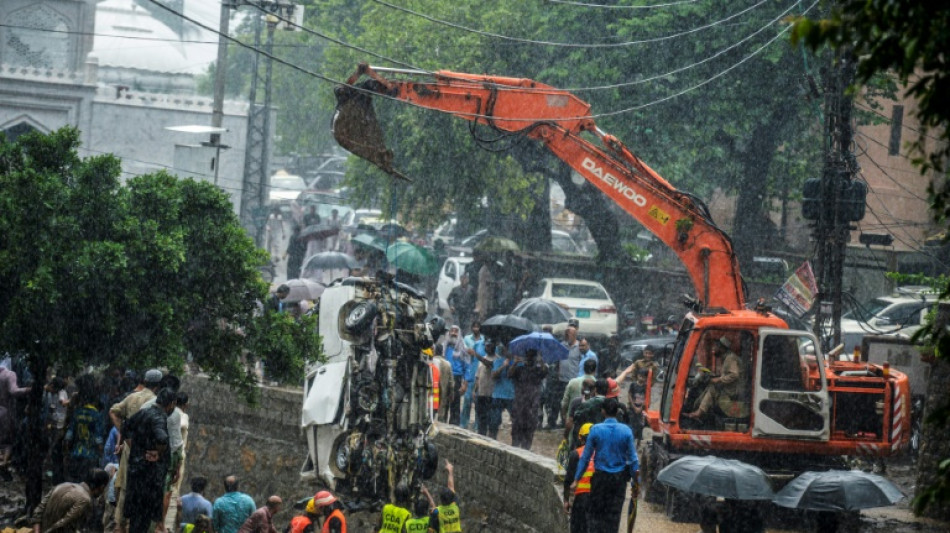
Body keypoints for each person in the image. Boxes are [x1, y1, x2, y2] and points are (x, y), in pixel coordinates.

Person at [571, 399, 639, 533]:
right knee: (614, 517)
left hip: (600, 480)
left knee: (596, 515)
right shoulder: (626, 431)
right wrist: (636, 483)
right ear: (617, 411)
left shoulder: (596, 430)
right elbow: (633, 460)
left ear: (602, 411)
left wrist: (576, 479)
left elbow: (585, 458)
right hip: (618, 481)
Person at [111, 368, 164, 533]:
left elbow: (113, 411)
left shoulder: (132, 397)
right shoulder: (156, 403)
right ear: (159, 385)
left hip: (129, 449)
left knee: (125, 486)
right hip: (145, 453)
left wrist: (126, 437)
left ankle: (119, 525)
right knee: (139, 489)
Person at [123, 387, 176, 533]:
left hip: (136, 472)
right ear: (171, 404)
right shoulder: (159, 417)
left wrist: (134, 447)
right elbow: (162, 438)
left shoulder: (143, 413)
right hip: (149, 477)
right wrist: (158, 453)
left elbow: (126, 426)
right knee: (144, 520)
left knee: (135, 519)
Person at [685, 336, 748, 421]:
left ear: (722, 348)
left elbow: (734, 375)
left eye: (716, 347)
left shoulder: (730, 358)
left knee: (713, 388)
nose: (714, 349)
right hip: (733, 387)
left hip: (735, 389)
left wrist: (719, 379)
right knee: (710, 386)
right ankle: (696, 410)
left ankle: (698, 413)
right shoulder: (727, 357)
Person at [31, 468, 110, 533]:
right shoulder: (85, 500)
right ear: (102, 487)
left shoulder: (63, 485)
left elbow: (38, 511)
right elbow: (64, 524)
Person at [507, 348, 548, 449]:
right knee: (516, 433)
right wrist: (515, 363)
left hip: (531, 405)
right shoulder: (519, 369)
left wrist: (542, 362)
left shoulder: (538, 370)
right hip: (520, 404)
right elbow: (509, 374)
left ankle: (525, 450)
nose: (529, 359)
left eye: (531, 357)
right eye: (528, 357)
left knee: (528, 434)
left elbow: (545, 372)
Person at [63, 383, 104, 482]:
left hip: (76, 453)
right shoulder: (96, 415)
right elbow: (98, 437)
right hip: (90, 455)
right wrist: (101, 451)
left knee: (74, 480)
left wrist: (67, 449)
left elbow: (69, 434)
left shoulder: (77, 412)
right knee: (86, 481)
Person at [563, 423, 595, 533]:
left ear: (581, 438)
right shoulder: (602, 454)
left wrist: (566, 501)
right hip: (598, 498)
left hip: (581, 499)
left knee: (578, 528)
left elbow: (568, 480)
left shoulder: (576, 454)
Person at [0, 362, 30, 478]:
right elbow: (14, 391)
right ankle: (4, 462)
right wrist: (29, 389)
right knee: (7, 442)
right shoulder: (9, 374)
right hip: (5, 413)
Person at [548, 325, 580, 429]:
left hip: (573, 381)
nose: (566, 335)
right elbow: (557, 360)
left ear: (575, 335)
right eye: (565, 333)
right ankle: (552, 422)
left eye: (569, 334)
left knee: (572, 402)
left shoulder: (579, 347)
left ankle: (566, 421)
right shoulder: (562, 345)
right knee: (557, 401)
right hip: (561, 380)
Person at [459, 322, 484, 430]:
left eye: (477, 326)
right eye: (474, 326)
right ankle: (463, 423)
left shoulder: (484, 341)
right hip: (469, 369)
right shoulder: (467, 338)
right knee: (467, 399)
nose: (475, 328)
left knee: (478, 401)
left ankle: (477, 425)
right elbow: (462, 351)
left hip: (480, 371)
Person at [488, 346, 515, 440]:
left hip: (511, 395)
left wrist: (514, 364)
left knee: (516, 421)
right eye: (507, 349)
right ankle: (492, 440)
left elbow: (514, 376)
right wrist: (503, 366)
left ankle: (515, 444)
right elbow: (493, 375)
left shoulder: (517, 363)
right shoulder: (498, 361)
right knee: (494, 422)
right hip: (498, 395)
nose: (509, 351)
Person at [561, 358, 597, 428]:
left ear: (583, 369)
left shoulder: (573, 382)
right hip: (591, 425)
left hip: (573, 422)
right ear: (595, 370)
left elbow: (564, 402)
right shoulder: (597, 384)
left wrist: (564, 415)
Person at [443, 326, 468, 425]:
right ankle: (441, 423)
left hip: (456, 378)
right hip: (444, 377)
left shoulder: (463, 349)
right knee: (443, 402)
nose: (453, 333)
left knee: (455, 403)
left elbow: (467, 367)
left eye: (456, 331)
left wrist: (465, 384)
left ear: (459, 334)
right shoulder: (443, 347)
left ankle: (454, 426)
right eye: (451, 331)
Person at [472, 340, 497, 437]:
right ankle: (481, 436)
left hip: (491, 394)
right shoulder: (482, 360)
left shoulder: (497, 359)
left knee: (491, 420)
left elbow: (489, 364)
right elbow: (478, 377)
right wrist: (474, 390)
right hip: (481, 393)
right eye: (486, 346)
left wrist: (478, 356)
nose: (488, 348)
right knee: (481, 419)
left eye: (490, 346)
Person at [427, 461, 460, 533]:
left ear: (440, 499)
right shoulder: (456, 506)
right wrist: (450, 471)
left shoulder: (437, 511)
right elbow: (451, 488)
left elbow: (431, 530)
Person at [430, 346, 454, 423]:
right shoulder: (447, 364)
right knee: (442, 410)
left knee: (432, 409)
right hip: (443, 392)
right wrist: (451, 393)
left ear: (435, 351)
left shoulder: (431, 362)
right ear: (442, 352)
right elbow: (451, 382)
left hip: (432, 390)